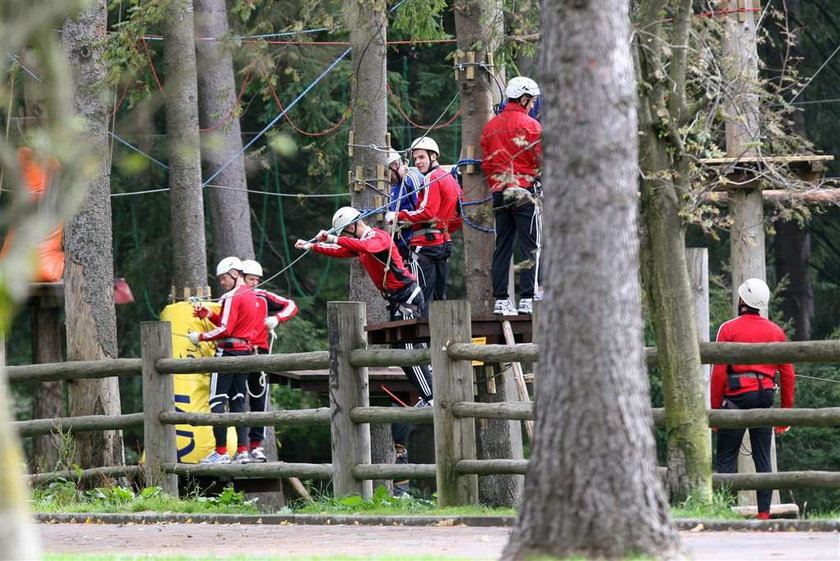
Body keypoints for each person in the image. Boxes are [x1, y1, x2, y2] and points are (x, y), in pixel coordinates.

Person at [294, 207, 433, 404]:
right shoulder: (361, 242)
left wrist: (333, 238)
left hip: (406, 298)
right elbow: (343, 251)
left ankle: (431, 396)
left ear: (351, 226)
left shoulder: (378, 237)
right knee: (404, 352)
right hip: (398, 300)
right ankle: (428, 394)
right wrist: (313, 246)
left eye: (343, 232)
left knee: (409, 349)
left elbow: (367, 247)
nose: (342, 236)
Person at [710, 278, 796, 520]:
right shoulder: (776, 331)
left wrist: (715, 411)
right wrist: (785, 414)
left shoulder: (728, 329)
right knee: (762, 459)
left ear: (742, 300)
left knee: (726, 458)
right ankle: (764, 515)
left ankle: (722, 513)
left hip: (736, 399)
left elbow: (718, 373)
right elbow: (788, 374)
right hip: (764, 400)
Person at [189, 257, 262, 464]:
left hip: (228, 353)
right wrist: (207, 313)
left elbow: (226, 329)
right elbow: (230, 323)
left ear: (234, 274)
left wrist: (200, 336)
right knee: (238, 401)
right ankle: (242, 451)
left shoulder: (231, 297)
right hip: (244, 353)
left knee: (217, 400)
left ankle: (220, 452)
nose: (221, 282)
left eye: (223, 278)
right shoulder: (251, 295)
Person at [480, 76, 543, 316]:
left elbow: (487, 164)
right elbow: (541, 159)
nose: (533, 105)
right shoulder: (532, 126)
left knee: (502, 247)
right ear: (524, 98)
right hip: (525, 192)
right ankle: (528, 298)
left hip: (499, 193)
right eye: (532, 101)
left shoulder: (490, 127)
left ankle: (501, 300)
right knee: (530, 246)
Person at [385, 136, 460, 304]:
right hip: (443, 243)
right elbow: (457, 215)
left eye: (421, 157)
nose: (417, 162)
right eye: (415, 158)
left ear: (433, 156)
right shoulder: (449, 178)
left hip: (426, 245)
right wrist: (444, 230)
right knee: (439, 297)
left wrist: (399, 216)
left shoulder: (431, 178)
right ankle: (441, 329)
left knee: (423, 297)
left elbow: (427, 212)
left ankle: (426, 330)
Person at [240, 259, 298, 462]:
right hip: (238, 352)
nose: (254, 283)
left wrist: (277, 318)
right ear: (241, 278)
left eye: (256, 279)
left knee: (258, 398)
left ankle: (256, 446)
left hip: (259, 351)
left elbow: (291, 305)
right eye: (250, 279)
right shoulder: (232, 297)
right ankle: (239, 448)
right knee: (236, 399)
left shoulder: (263, 297)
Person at [386, 149, 423, 262]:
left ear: (396, 165)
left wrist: (399, 218)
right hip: (399, 244)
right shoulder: (392, 186)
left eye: (387, 173)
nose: (387, 178)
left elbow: (422, 212)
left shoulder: (412, 179)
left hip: (414, 242)